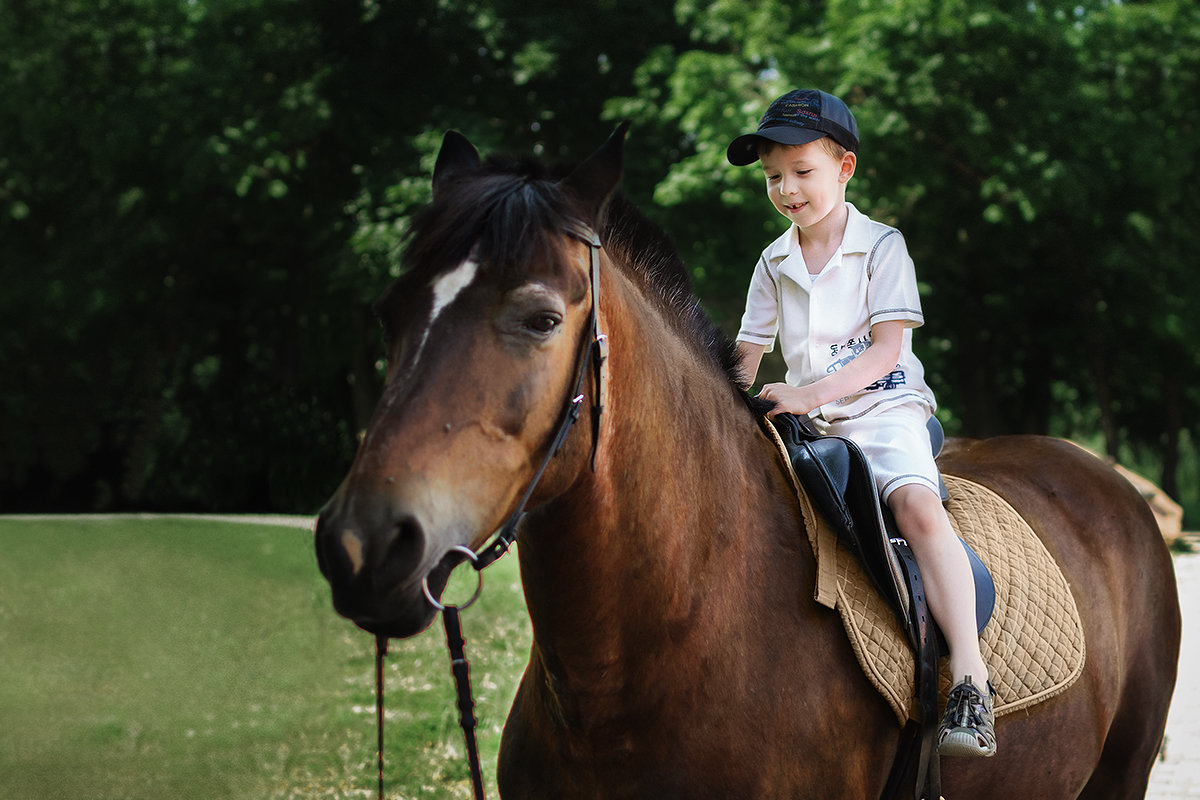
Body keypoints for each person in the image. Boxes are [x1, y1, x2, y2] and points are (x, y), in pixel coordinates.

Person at [727, 88, 996, 758]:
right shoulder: (773, 261)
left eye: (802, 172)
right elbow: (748, 354)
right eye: (773, 178)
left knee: (915, 507)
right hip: (811, 420)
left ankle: (969, 675)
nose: (787, 189)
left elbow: (886, 351)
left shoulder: (882, 247)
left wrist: (808, 393)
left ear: (844, 168)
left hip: (883, 407)